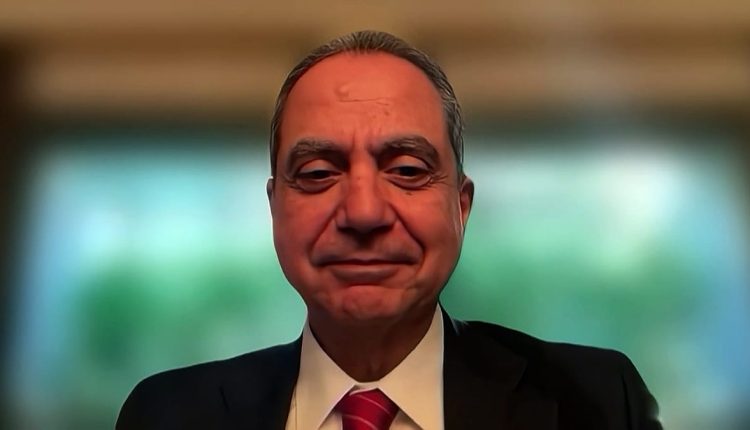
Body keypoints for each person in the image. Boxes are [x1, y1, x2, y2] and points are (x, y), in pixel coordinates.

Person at [116, 30, 662, 430]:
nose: (363, 213)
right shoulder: (168, 415)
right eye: (318, 173)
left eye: (406, 170)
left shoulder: (596, 402)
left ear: (461, 206)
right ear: (275, 206)